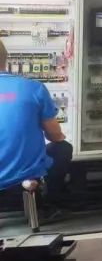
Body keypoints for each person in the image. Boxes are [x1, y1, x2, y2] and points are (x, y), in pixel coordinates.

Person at [0, 38, 72, 209]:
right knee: (63, 148)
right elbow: (55, 136)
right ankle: (48, 204)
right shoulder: (33, 88)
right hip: (23, 182)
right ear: (5, 58)